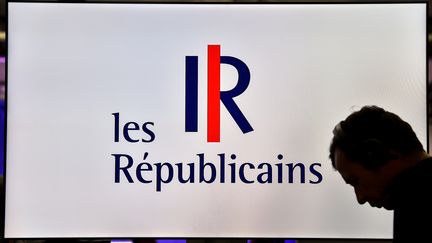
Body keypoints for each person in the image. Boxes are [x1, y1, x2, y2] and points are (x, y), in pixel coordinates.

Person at [329, 105, 432, 243]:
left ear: (378, 154)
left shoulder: (416, 203)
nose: (360, 198)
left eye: (355, 181)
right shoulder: (409, 193)